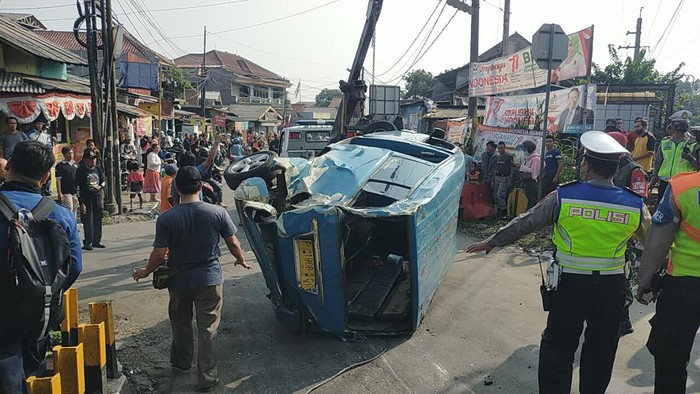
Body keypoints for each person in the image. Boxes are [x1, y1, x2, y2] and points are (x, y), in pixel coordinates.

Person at [467, 131, 650, 393]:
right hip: (612, 287)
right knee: (602, 345)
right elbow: (653, 241)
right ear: (615, 168)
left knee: (558, 344)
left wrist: (493, 242)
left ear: (585, 164)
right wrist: (648, 280)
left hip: (569, 284)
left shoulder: (564, 196)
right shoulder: (634, 204)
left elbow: (526, 222)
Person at [132, 166, 251, 392]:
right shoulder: (217, 212)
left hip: (179, 279)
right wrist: (241, 259)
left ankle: (181, 363)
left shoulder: (167, 218)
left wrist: (146, 271)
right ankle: (207, 378)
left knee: (181, 323)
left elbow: (159, 253)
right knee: (208, 330)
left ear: (177, 188)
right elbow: (233, 242)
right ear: (200, 186)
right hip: (210, 278)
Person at [0, 140, 82, 393]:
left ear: (9, 166)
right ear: (46, 176)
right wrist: (46, 290)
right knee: (34, 366)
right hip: (42, 310)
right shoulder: (60, 214)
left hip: (3, 307)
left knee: (7, 360)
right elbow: (75, 266)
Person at [637, 170, 700, 393]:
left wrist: (644, 281)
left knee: (671, 360)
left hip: (684, 288)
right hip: (683, 289)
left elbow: (658, 241)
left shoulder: (683, 187)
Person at [171, 135, 223, 207]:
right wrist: (216, 142)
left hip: (182, 210)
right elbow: (210, 160)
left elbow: (175, 199)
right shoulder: (196, 172)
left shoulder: (176, 178)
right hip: (199, 208)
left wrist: (176, 212)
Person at [651, 117, 694, 199]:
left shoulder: (692, 144)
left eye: (684, 125)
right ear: (673, 127)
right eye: (679, 125)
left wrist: (690, 158)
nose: (681, 128)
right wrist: (653, 180)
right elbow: (658, 163)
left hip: (683, 182)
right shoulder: (665, 142)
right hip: (665, 182)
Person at [76, 150, 105, 250]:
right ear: (85, 160)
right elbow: (78, 187)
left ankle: (97, 241)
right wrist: (81, 202)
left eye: (94, 159)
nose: (93, 161)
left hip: (97, 197)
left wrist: (100, 187)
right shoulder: (81, 171)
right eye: (90, 159)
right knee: (88, 220)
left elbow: (103, 181)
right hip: (86, 198)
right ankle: (88, 242)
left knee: (98, 219)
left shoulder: (98, 169)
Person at [515, 139, 541, 209]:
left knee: (530, 201)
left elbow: (534, 172)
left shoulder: (536, 158)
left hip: (531, 182)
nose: (524, 151)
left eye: (525, 149)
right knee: (525, 199)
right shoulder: (528, 158)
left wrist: (521, 167)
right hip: (525, 181)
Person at [55, 146, 79, 219]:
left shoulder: (76, 165)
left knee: (75, 207)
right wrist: (59, 193)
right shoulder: (60, 165)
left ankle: (74, 224)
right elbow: (58, 180)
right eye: (69, 153)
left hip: (75, 191)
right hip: (66, 191)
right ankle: (69, 223)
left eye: (72, 153)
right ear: (64, 154)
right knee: (69, 208)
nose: (71, 155)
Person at [492, 141, 514, 219]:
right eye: (499, 148)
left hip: (504, 177)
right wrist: (493, 180)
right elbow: (496, 169)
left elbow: (511, 169)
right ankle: (499, 212)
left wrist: (510, 180)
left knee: (500, 195)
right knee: (495, 195)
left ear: (505, 148)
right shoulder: (498, 157)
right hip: (497, 177)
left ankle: (504, 211)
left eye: (501, 148)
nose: (500, 149)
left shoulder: (509, 156)